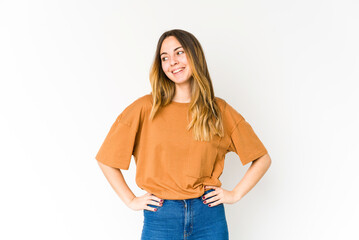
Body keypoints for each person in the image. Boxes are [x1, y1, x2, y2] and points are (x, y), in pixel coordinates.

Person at [95, 29, 272, 240]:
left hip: (209, 216)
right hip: (161, 218)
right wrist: (131, 200)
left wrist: (234, 194)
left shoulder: (218, 111)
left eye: (179, 52)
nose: (172, 62)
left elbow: (262, 158)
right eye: (165, 57)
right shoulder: (145, 108)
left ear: (194, 55)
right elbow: (107, 159)